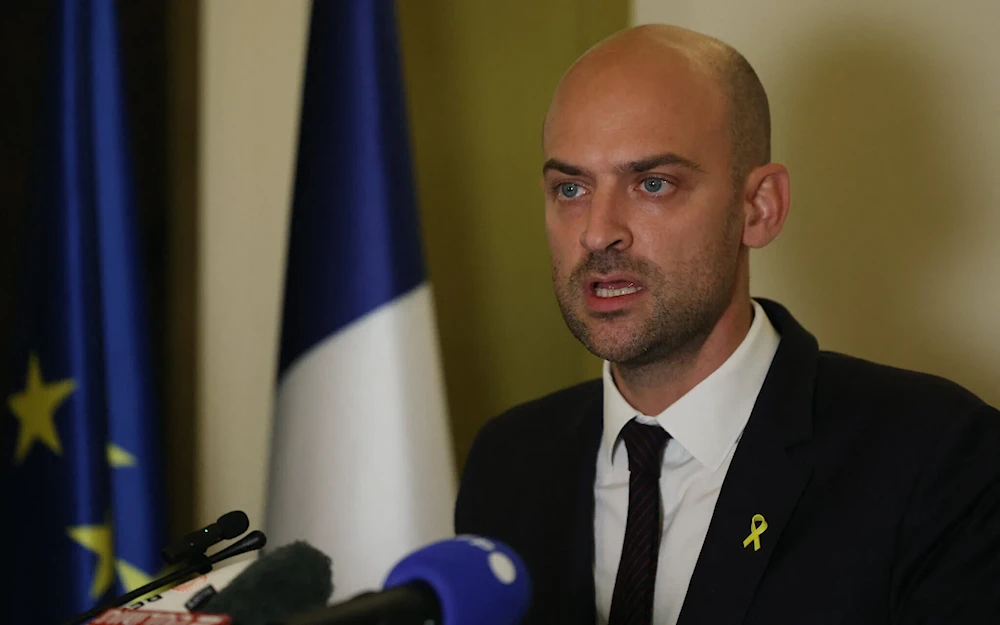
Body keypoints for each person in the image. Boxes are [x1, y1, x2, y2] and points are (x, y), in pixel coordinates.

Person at [454, 23, 1000, 625]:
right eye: (571, 187)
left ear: (759, 208)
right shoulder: (509, 463)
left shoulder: (937, 458)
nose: (597, 230)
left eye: (653, 183)